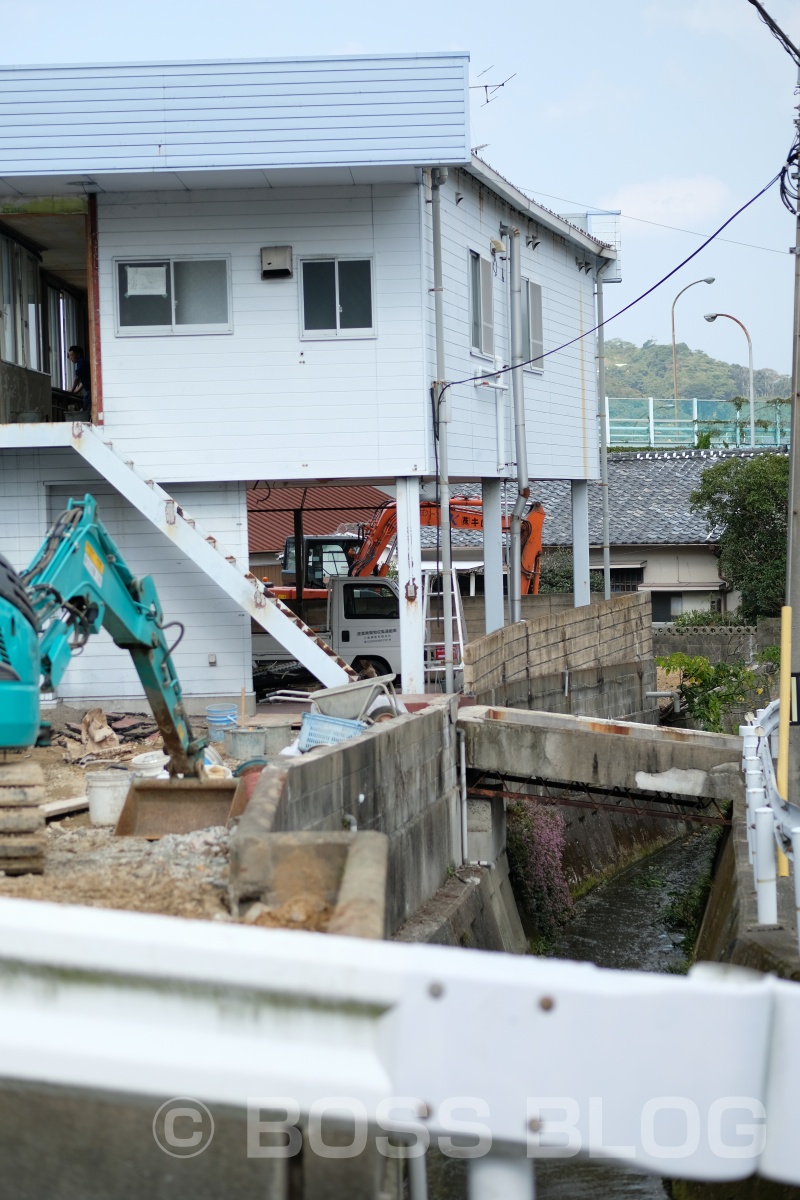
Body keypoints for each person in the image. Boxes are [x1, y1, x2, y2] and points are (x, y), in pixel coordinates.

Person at [67, 345, 91, 416]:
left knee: (85, 413)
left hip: (90, 392)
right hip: (89, 392)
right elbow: (82, 382)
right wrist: (75, 391)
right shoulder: (84, 361)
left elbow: (77, 378)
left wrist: (72, 391)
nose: (71, 358)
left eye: (72, 355)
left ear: (78, 354)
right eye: (69, 356)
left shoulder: (81, 362)